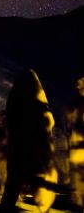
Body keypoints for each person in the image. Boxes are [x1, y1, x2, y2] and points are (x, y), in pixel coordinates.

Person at [1, 69, 57, 213]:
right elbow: (47, 123)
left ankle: (9, 205)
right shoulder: (37, 100)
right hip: (31, 147)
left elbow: (11, 121)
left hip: (18, 146)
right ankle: (43, 206)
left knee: (14, 181)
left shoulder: (15, 96)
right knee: (32, 179)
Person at [65, 76, 84, 209]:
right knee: (77, 178)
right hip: (76, 145)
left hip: (80, 145)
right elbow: (71, 124)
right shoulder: (76, 102)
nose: (77, 86)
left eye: (80, 84)